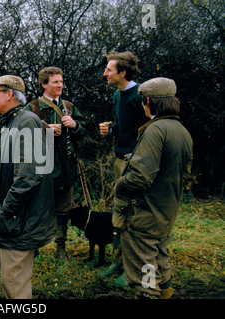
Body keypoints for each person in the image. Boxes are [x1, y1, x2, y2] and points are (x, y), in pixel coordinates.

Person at [0, 75, 56, 299]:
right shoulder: (14, 121)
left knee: (15, 285)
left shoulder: (26, 121)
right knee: (10, 282)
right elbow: (18, 167)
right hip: (16, 219)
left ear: (9, 94)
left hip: (19, 221)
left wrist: (5, 211)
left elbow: (29, 178)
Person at [113, 77, 193, 299]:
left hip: (144, 215)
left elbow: (140, 177)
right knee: (160, 258)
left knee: (145, 272)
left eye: (142, 100)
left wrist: (119, 185)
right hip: (165, 211)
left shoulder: (155, 130)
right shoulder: (181, 130)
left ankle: (150, 293)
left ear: (147, 101)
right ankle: (165, 291)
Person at [24, 66, 86, 260]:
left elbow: (83, 131)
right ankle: (34, 248)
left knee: (63, 210)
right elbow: (21, 137)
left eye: (61, 81)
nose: (60, 85)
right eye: (55, 82)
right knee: (37, 209)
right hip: (42, 169)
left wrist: (75, 125)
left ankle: (61, 248)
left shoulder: (68, 106)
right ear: (44, 85)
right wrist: (44, 130)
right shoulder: (32, 108)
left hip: (65, 168)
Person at [98, 51, 148, 284]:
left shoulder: (141, 95)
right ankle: (117, 263)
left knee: (134, 214)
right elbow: (123, 125)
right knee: (119, 210)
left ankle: (134, 269)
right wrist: (112, 129)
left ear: (122, 72)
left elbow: (150, 129)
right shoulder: (119, 95)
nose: (105, 73)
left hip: (136, 163)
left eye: (109, 69)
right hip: (120, 160)